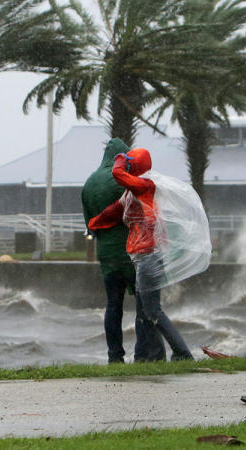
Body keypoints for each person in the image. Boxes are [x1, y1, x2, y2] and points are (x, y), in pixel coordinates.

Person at [89, 147, 194, 361]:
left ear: (134, 165)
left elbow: (118, 175)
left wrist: (119, 158)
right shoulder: (131, 194)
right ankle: (153, 356)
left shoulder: (145, 186)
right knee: (144, 313)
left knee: (152, 311)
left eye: (129, 162)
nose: (125, 164)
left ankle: (182, 353)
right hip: (141, 259)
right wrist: (94, 224)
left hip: (149, 257)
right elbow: (113, 213)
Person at [81, 138, 165, 363]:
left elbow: (90, 223)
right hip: (133, 253)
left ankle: (114, 356)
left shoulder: (89, 183)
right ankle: (142, 355)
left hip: (107, 255)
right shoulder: (126, 181)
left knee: (113, 305)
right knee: (143, 307)